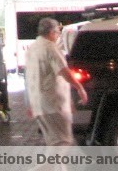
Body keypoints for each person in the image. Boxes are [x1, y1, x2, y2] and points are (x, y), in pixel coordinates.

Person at [24, 17, 87, 147]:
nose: (58, 36)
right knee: (62, 143)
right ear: (52, 32)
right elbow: (63, 71)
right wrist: (79, 87)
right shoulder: (50, 48)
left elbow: (30, 78)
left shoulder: (32, 49)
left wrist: (29, 103)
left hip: (39, 105)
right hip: (52, 105)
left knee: (55, 145)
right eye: (58, 32)